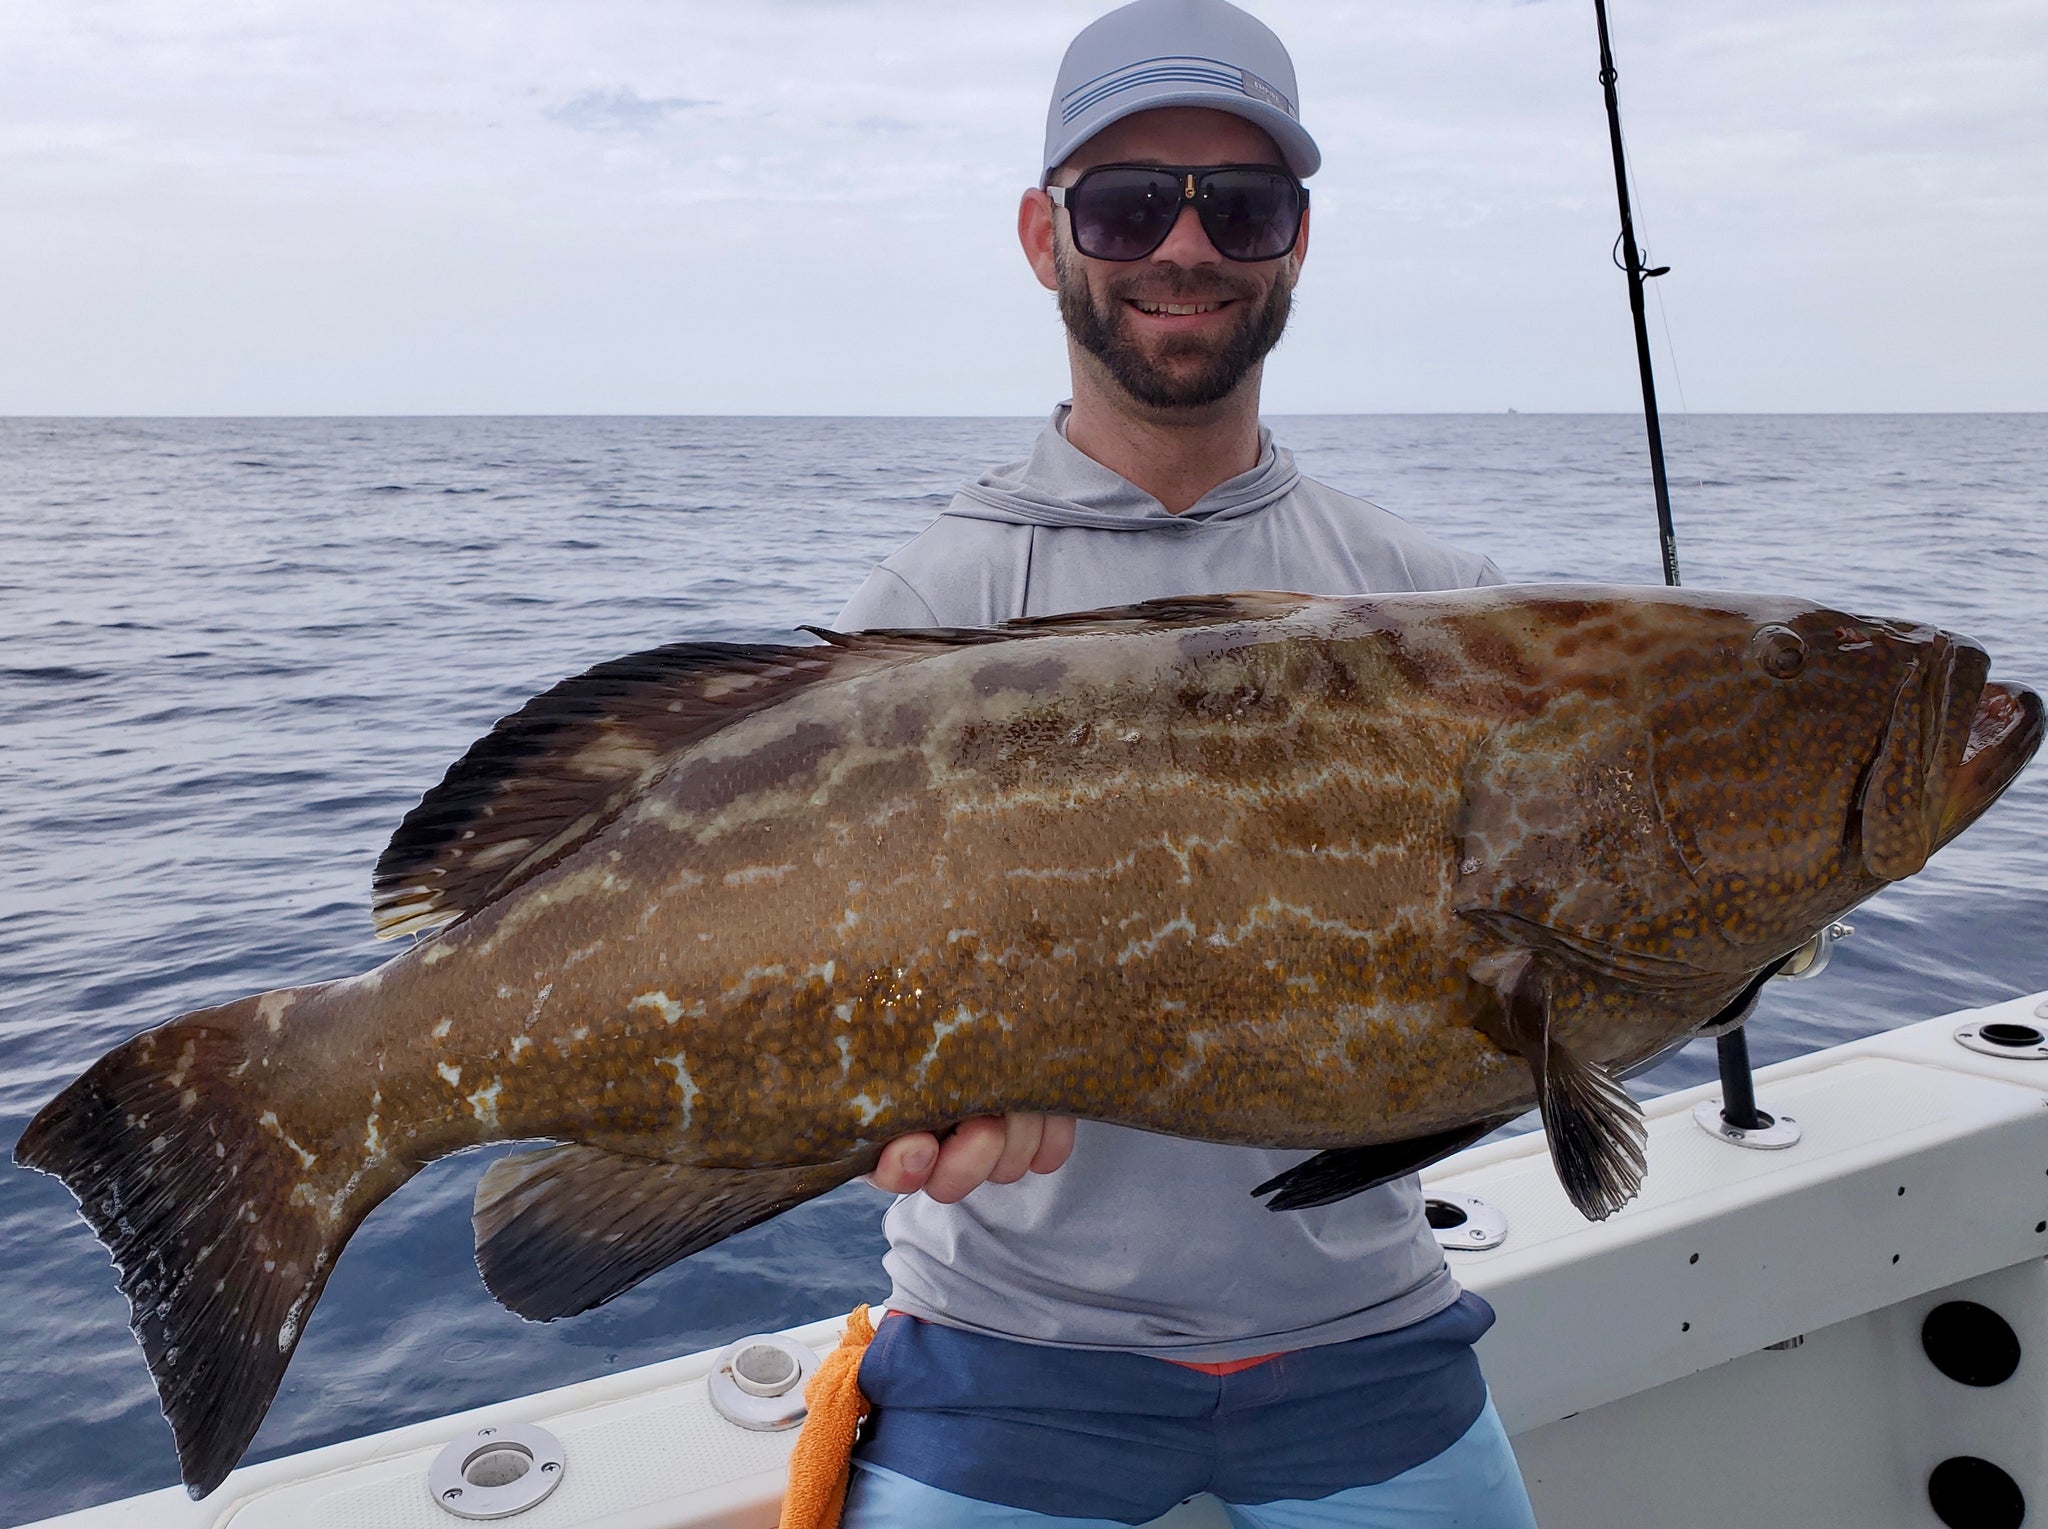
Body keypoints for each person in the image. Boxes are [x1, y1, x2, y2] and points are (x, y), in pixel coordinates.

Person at [829, 3, 1539, 1524]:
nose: (1187, 245)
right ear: (1044, 236)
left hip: (1372, 1334)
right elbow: (821, 976)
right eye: (1130, 201)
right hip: (1005, 1350)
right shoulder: (926, 609)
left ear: (1297, 243)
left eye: (1247, 204)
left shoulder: (1439, 603)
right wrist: (883, 1106)